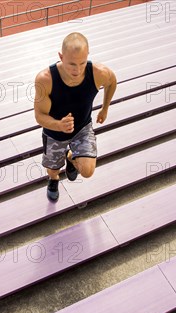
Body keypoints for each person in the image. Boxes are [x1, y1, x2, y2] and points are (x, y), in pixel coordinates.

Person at [34, 32, 117, 201]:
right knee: (52, 169)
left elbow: (112, 81)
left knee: (87, 171)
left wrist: (105, 108)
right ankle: (54, 180)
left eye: (82, 63)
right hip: (54, 132)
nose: (77, 70)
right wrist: (58, 125)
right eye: (72, 64)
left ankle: (71, 157)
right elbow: (39, 116)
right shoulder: (46, 80)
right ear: (61, 56)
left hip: (82, 128)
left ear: (88, 56)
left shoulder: (98, 72)